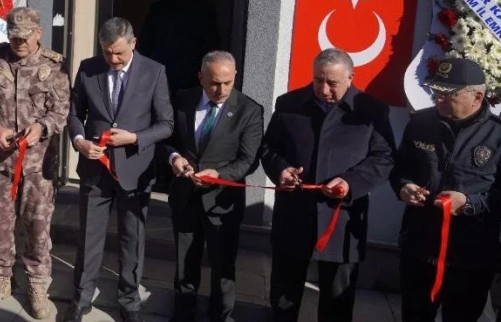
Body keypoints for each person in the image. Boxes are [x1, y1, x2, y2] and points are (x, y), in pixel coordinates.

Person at [259, 48, 395, 322]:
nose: (323, 89)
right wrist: (280, 169)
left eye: (332, 83)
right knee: (284, 293)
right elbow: (269, 147)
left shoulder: (370, 110)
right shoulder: (289, 103)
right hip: (295, 213)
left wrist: (350, 181)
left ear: (350, 78)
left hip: (342, 216)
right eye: (317, 80)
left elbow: (384, 157)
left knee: (337, 297)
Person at [64, 17, 174, 322]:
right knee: (89, 236)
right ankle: (81, 297)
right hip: (95, 168)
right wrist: (79, 141)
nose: (113, 59)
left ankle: (128, 300)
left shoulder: (154, 72)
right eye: (107, 52)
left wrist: (135, 138)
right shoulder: (89, 68)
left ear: (133, 44)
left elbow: (166, 124)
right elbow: (74, 114)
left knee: (132, 238)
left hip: (135, 170)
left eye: (119, 54)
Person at [0, 7, 70, 320]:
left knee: (37, 227)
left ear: (38, 33)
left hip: (38, 166)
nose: (19, 43)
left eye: (25, 38)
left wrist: (41, 128)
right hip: (1, 162)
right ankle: (1, 279)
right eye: (13, 37)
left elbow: (61, 111)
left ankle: (37, 284)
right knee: (1, 225)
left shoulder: (53, 65)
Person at [391, 58, 501, 322]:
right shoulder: (420, 124)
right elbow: (399, 169)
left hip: (469, 258)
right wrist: (404, 187)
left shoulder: (496, 136)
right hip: (420, 249)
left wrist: (470, 203)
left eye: (447, 93)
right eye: (435, 91)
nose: (438, 98)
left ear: (476, 97)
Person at [165, 51, 263, 322]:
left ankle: (221, 316)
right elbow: (168, 139)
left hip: (222, 201)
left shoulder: (249, 110)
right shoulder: (183, 99)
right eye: (214, 83)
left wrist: (218, 173)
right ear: (201, 78)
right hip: (185, 196)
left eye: (227, 83)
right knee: (185, 263)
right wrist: (175, 158)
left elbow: (249, 160)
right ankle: (183, 314)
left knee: (222, 267)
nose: (221, 90)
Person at [138, 0, 220, 96]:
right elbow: (212, 47)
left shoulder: (158, 8)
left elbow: (144, 44)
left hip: (161, 72)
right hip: (192, 76)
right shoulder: (205, 11)